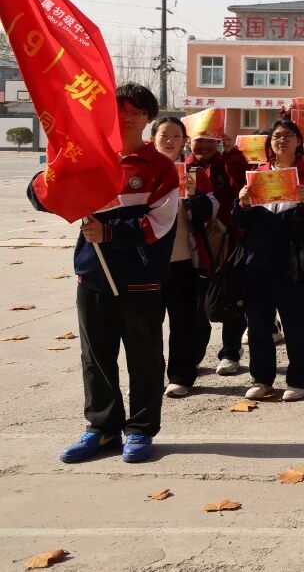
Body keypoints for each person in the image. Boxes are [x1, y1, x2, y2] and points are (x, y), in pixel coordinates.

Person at [37, 83, 178, 464]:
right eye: (120, 111)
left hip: (141, 278)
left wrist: (111, 233)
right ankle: (102, 428)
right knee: (96, 356)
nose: (127, 118)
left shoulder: (159, 167)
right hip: (93, 274)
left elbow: (161, 223)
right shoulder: (90, 158)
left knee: (144, 356)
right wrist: (51, 173)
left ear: (148, 118)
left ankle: (141, 429)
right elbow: (46, 197)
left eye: (136, 112)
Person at [233, 119, 304, 402]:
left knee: (295, 322)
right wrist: (242, 203)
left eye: (288, 135)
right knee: (259, 324)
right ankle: (262, 379)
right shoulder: (257, 174)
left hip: (294, 262)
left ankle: (299, 378)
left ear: (299, 142)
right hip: (258, 261)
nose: (282, 140)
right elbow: (239, 222)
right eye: (276, 136)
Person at [151, 117, 215, 398]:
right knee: (148, 324)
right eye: (164, 135)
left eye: (176, 136)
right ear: (153, 138)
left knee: (184, 322)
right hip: (148, 261)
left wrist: (192, 195)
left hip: (183, 260)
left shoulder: (194, 172)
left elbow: (211, 210)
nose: (169, 141)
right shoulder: (142, 171)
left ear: (184, 141)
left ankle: (180, 376)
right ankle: (150, 375)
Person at [187, 132, 248, 375]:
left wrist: (232, 155)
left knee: (231, 297)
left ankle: (231, 352)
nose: (203, 145)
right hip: (193, 245)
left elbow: (242, 187)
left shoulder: (227, 163)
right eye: (198, 140)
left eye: (209, 140)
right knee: (197, 303)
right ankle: (194, 355)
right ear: (188, 141)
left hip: (228, 242)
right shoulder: (182, 168)